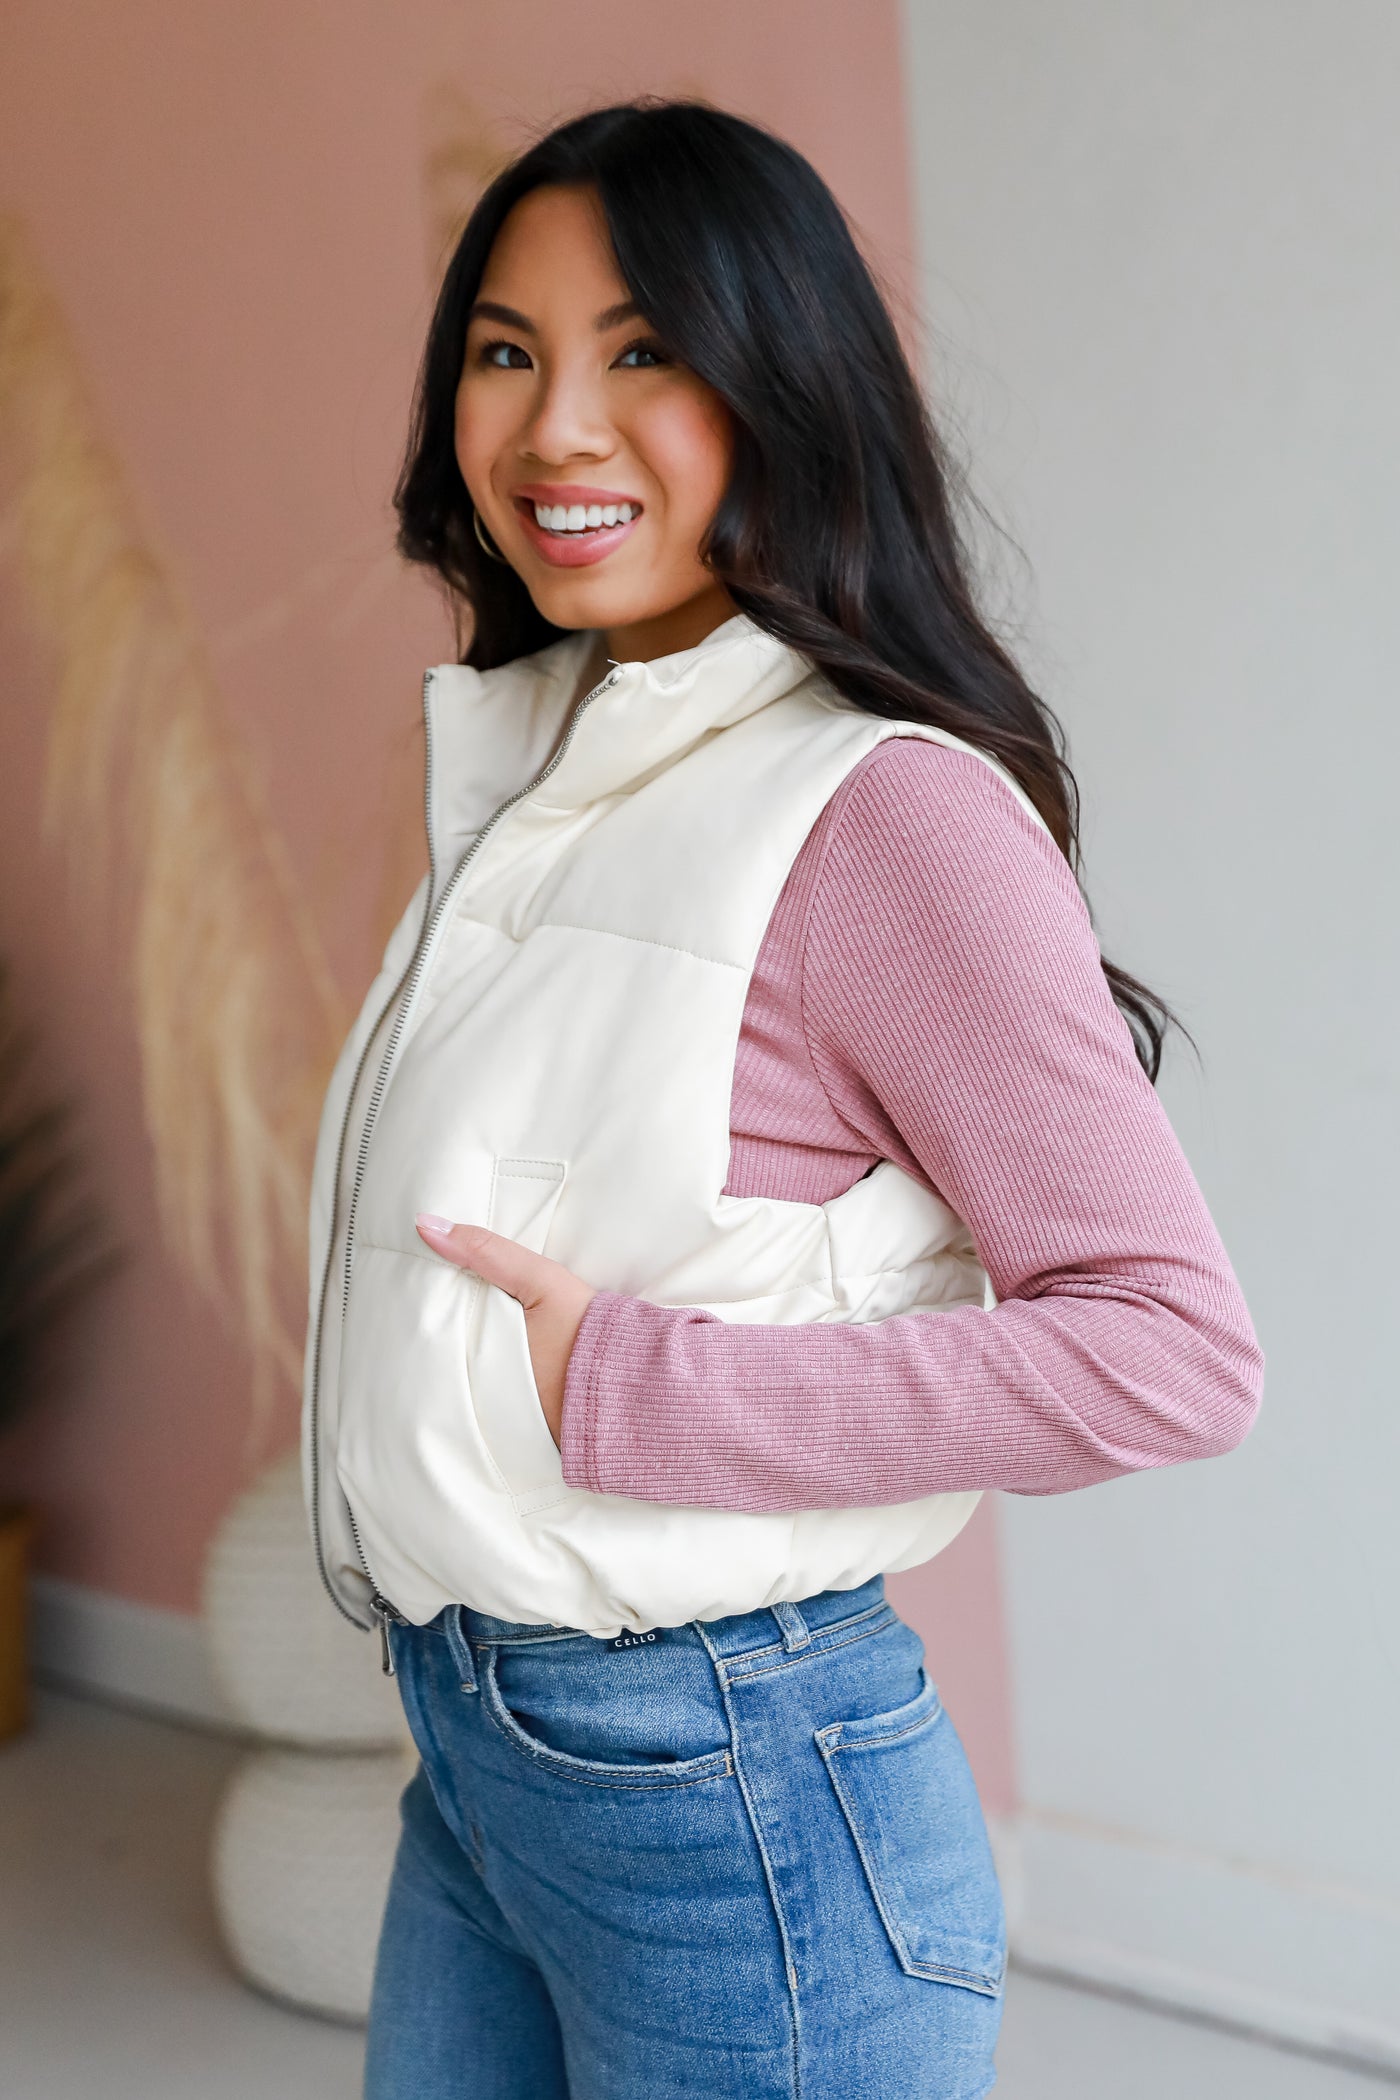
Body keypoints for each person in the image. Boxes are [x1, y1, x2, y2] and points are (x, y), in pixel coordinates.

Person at [301, 99, 1263, 2100]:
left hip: (731, 1802)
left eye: (643, 350)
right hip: (478, 1762)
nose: (557, 427)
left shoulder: (883, 814)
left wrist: (642, 1391)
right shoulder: (544, 770)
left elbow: (1170, 1353)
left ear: (782, 384)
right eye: (506, 351)